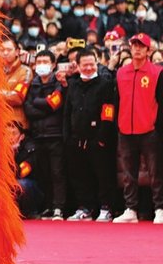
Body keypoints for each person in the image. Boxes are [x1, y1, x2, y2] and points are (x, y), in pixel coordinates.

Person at [113, 33, 163, 224]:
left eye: (141, 46)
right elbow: (117, 101)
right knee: (129, 174)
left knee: (155, 172)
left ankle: (159, 208)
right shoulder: (121, 72)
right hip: (125, 129)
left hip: (150, 130)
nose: (137, 48)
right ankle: (130, 208)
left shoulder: (157, 72)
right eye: (134, 45)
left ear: (148, 50)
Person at [63, 48, 118, 222]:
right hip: (75, 139)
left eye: (91, 64)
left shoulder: (105, 83)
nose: (88, 68)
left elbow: (108, 111)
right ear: (78, 66)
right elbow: (67, 112)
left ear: (97, 63)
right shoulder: (73, 84)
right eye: (84, 65)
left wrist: (102, 137)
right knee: (80, 175)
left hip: (98, 138)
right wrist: (67, 137)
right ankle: (84, 207)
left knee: (103, 174)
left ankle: (105, 207)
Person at [23, 51, 66, 220]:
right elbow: (28, 110)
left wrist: (38, 104)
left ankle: (58, 207)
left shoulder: (59, 83)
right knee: (44, 173)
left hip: (55, 135)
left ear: (53, 64)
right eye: (39, 61)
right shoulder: (32, 84)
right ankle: (47, 206)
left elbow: (54, 104)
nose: (42, 64)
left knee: (57, 173)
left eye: (45, 61)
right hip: (37, 135)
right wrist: (44, 106)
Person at [0, 36, 32, 129]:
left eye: (9, 50)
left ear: (17, 52)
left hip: (16, 125)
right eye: (2, 50)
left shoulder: (25, 71)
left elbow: (18, 97)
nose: (5, 53)